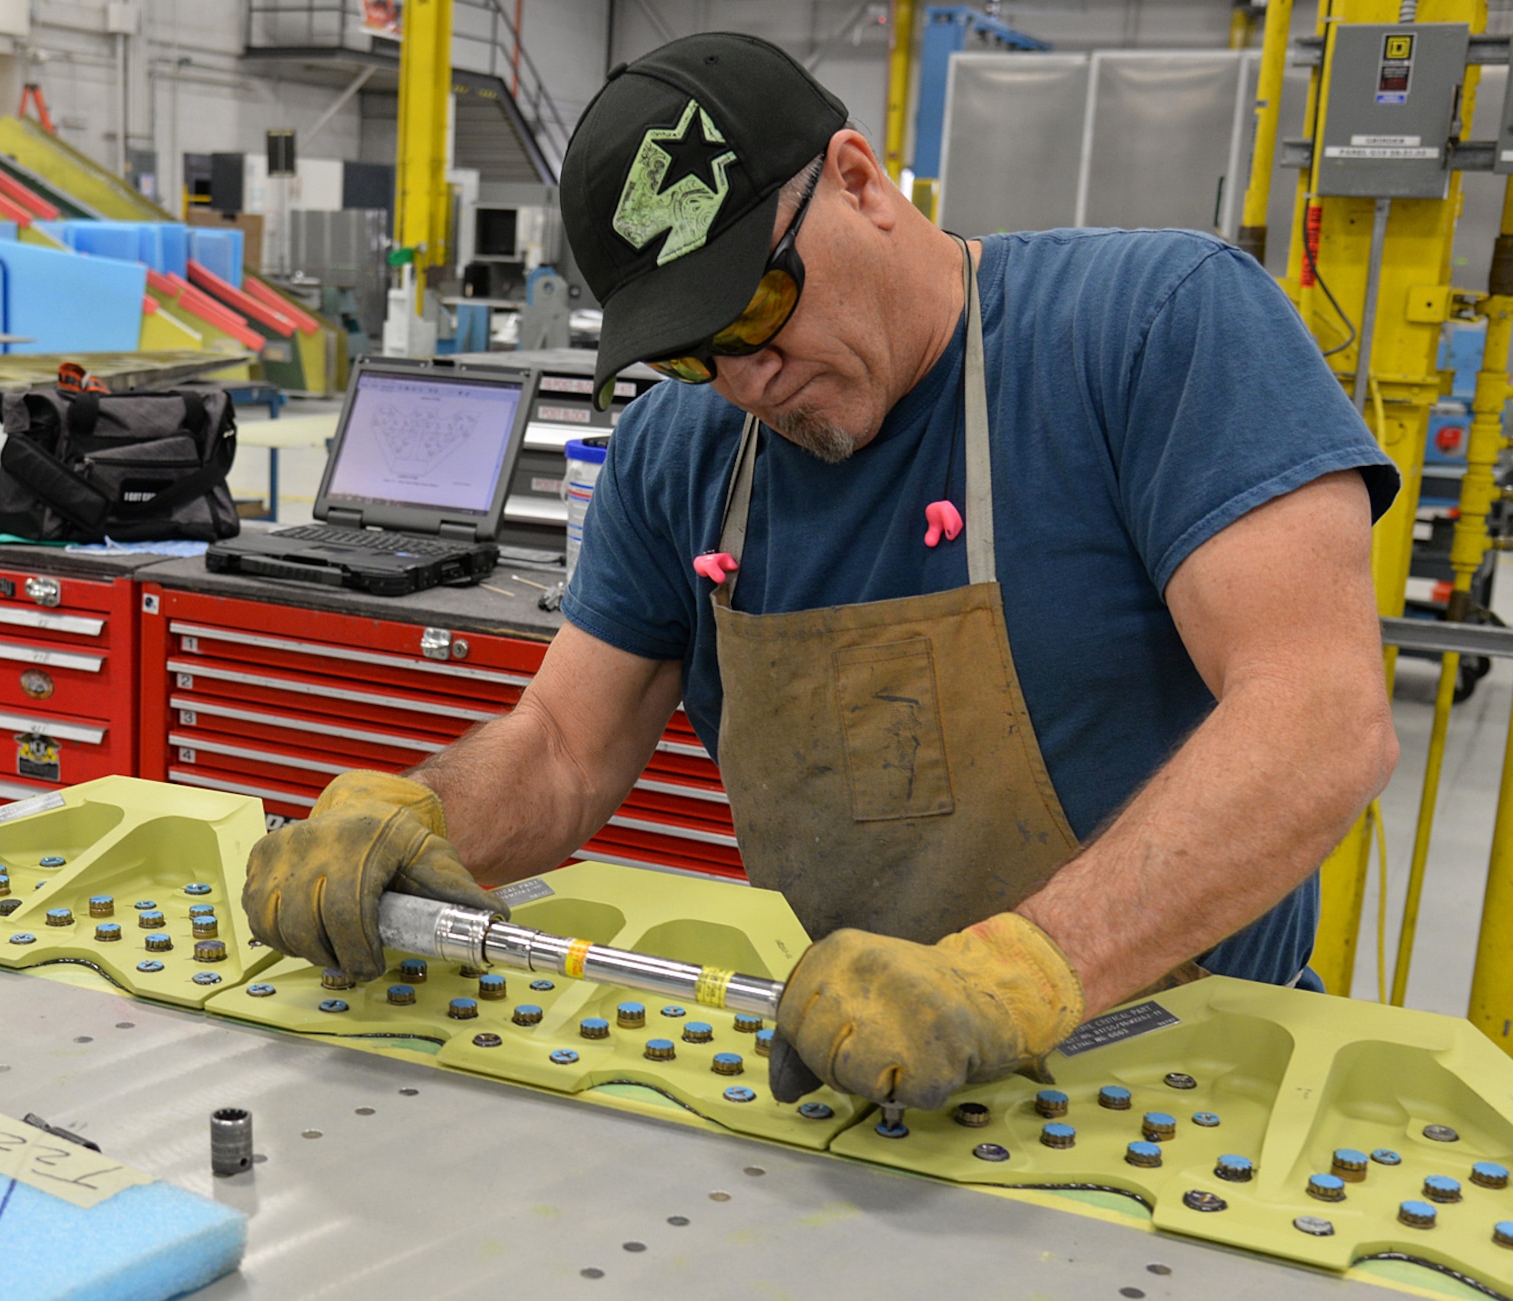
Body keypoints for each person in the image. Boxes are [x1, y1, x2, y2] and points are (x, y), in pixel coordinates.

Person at [244, 32, 1399, 1112]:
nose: (745, 378)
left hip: (1173, 1073)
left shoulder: (1154, 330)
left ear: (857, 179)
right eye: (694, 351)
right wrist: (414, 816)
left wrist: (1022, 969)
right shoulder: (676, 452)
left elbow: (1317, 714)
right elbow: (561, 746)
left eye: (755, 303)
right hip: (864, 1076)